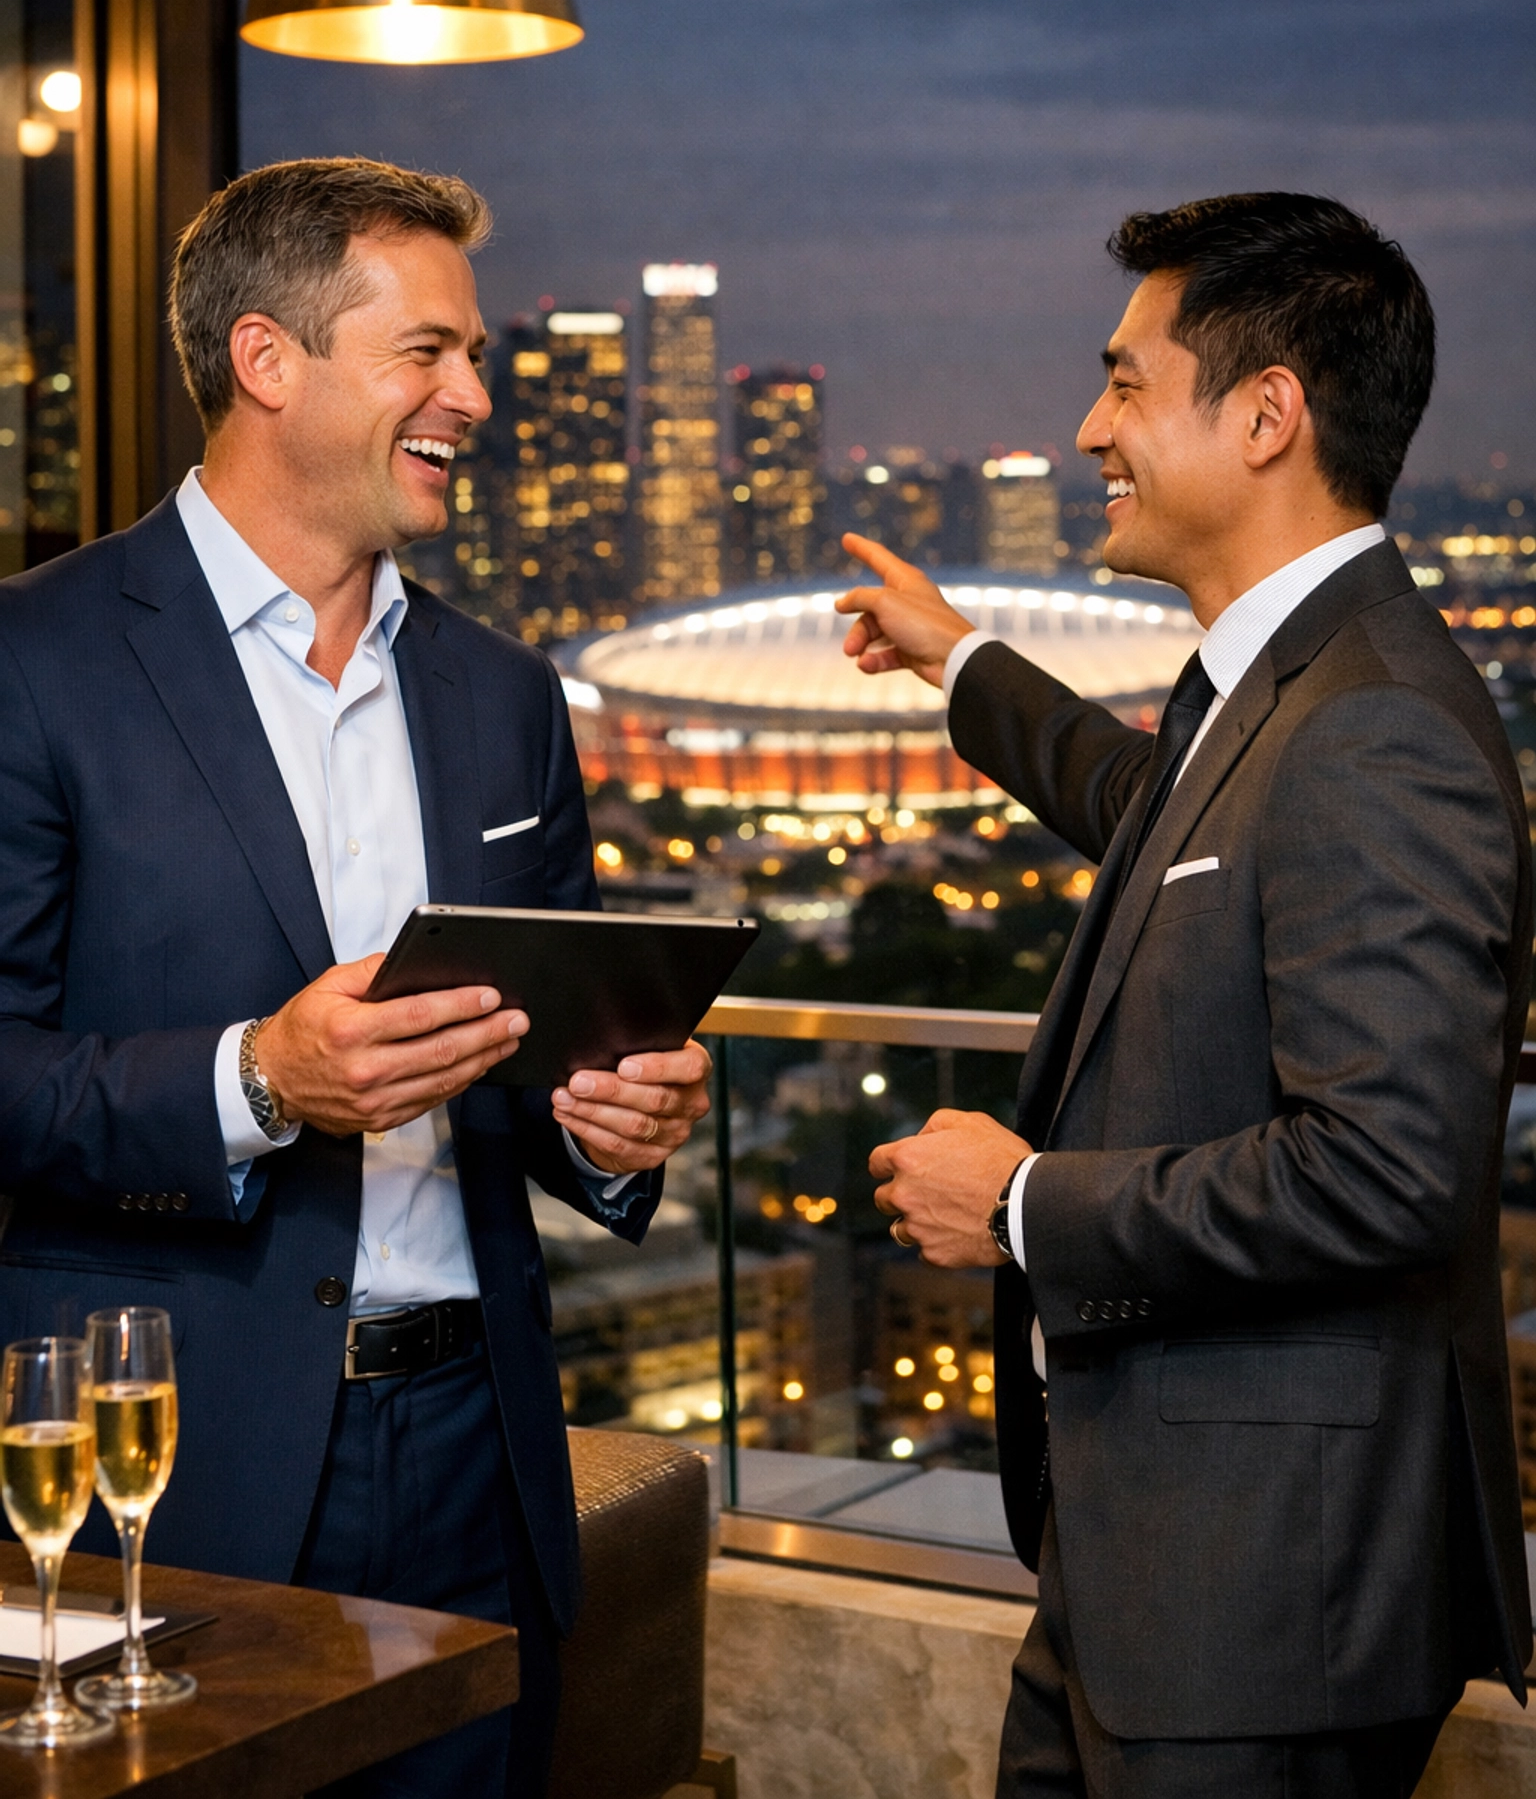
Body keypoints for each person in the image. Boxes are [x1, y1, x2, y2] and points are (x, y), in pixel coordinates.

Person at [0, 156, 712, 1799]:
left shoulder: (508, 695)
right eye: (432, 353)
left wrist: (610, 1125)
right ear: (270, 361)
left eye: (473, 358)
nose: (476, 394)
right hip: (163, 1463)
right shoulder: (33, 663)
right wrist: (256, 1082)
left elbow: (543, 1064)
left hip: (477, 1455)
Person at [836, 192, 1531, 1798]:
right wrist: (962, 663)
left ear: (1269, 414)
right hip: (1154, 1564)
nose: (1090, 428)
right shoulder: (1285, 691)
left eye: (1129, 383)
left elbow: (1384, 1172)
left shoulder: (1377, 728)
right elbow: (1168, 816)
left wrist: (1021, 1210)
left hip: (1267, 1606)